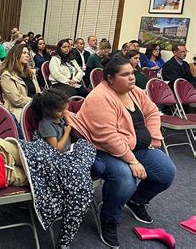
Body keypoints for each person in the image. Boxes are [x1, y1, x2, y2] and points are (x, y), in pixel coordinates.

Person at [65, 55, 176, 248]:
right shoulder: (100, 97)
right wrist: (132, 161)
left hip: (135, 147)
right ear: (110, 79)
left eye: (132, 73)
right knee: (125, 178)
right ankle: (109, 218)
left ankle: (136, 201)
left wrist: (155, 137)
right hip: (103, 150)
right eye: (125, 75)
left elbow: (151, 112)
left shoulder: (135, 92)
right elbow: (107, 137)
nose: (132, 77)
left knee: (167, 172)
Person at [0, 44, 40, 125]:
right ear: (16, 55)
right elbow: (16, 100)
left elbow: (38, 92)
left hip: (35, 107)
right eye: (24, 53)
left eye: (28, 53)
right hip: (19, 110)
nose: (27, 55)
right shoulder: (7, 75)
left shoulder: (31, 74)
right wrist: (37, 101)